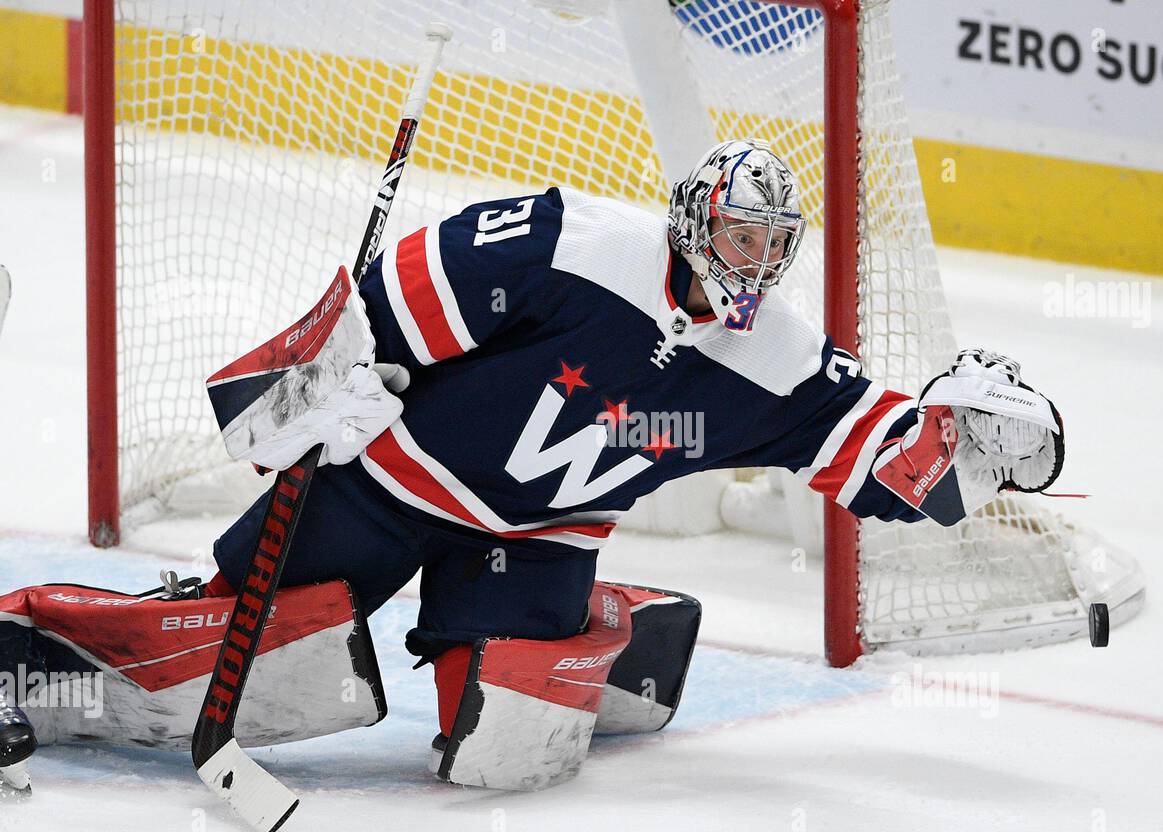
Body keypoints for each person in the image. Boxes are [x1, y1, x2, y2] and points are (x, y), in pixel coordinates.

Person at [0, 140, 1064, 792]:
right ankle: (31, 642)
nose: (754, 262)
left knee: (503, 754)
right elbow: (380, 309)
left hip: (539, 537)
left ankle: (618, 620)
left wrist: (964, 441)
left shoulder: (775, 359)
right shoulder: (573, 244)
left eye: (770, 243)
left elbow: (887, 464)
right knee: (256, 670)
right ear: (696, 218)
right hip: (393, 482)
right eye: (738, 236)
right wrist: (323, 386)